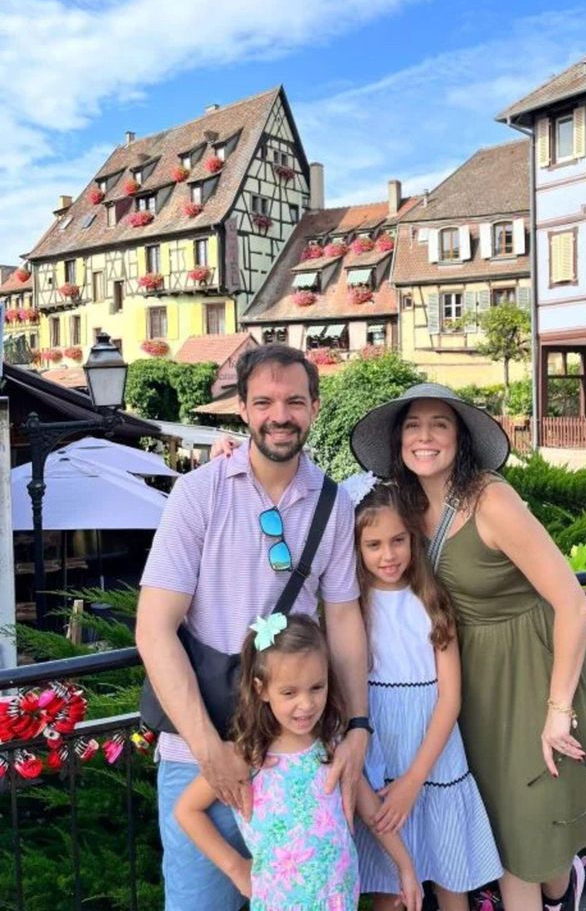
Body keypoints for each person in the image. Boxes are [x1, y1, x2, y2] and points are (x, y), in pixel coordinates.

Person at [349, 383, 586, 911]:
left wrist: (558, 710)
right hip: (466, 678)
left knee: (525, 828)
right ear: (399, 439)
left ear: (460, 438)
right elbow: (347, 523)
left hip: (531, 670)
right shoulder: (403, 503)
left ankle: (562, 885)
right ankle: (562, 885)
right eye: (412, 425)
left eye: (439, 424)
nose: (424, 437)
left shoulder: (492, 499)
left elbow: (571, 602)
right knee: (501, 822)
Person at [136, 344, 370, 911]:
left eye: (294, 401)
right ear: (242, 408)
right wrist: (206, 748)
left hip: (298, 756)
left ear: (314, 407)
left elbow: (342, 618)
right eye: (263, 401)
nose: (279, 415)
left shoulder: (333, 504)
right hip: (204, 757)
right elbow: (154, 628)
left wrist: (359, 725)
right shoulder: (199, 493)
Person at [175, 614, 422, 911]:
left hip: (339, 901)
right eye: (289, 692)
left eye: (316, 687)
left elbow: (373, 815)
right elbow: (187, 810)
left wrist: (406, 868)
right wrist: (236, 868)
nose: (305, 704)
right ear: (261, 689)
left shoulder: (332, 747)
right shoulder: (246, 758)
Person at [345, 478, 503, 911]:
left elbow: (450, 697)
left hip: (433, 754)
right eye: (373, 544)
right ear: (357, 548)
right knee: (391, 889)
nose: (388, 554)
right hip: (381, 752)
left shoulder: (431, 600)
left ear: (413, 539)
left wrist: (414, 779)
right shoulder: (350, 608)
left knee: (452, 877)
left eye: (398, 540)